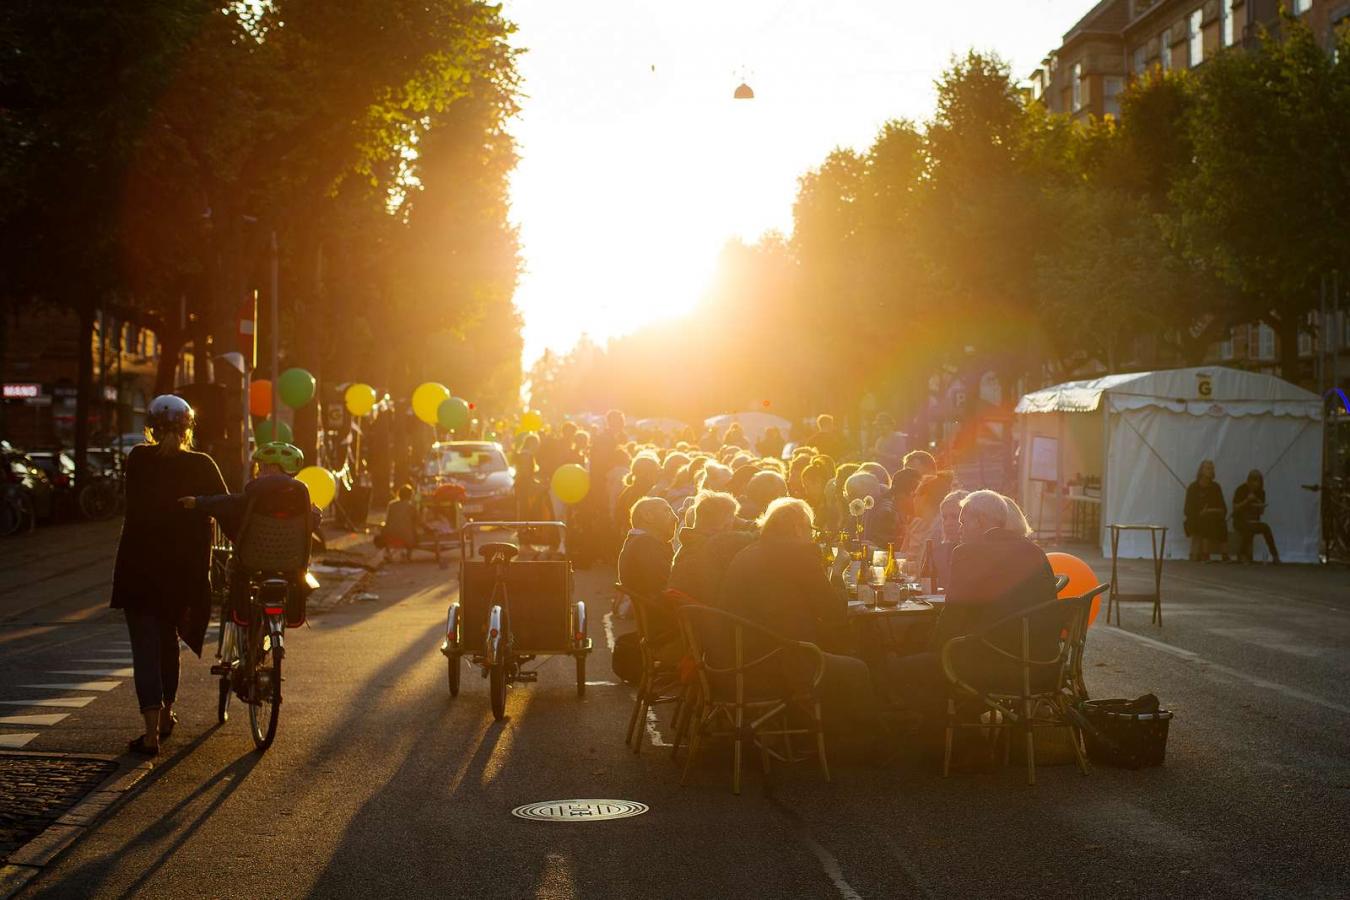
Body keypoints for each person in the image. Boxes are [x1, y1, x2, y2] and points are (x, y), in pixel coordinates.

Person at [110, 395, 227, 756]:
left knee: (144, 650)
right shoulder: (203, 464)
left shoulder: (138, 458)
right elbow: (226, 507)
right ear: (189, 428)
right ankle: (167, 716)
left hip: (139, 569)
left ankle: (149, 733)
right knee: (167, 644)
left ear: (150, 426)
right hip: (183, 573)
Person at [720, 498, 877, 733]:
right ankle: (859, 740)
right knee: (857, 667)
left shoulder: (747, 552)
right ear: (797, 527)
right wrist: (837, 572)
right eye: (810, 529)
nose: (812, 536)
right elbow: (832, 611)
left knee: (842, 650)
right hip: (785, 658)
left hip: (741, 654)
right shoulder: (799, 553)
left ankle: (821, 729)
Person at [888, 491, 1057, 708]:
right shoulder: (1034, 551)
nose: (959, 528)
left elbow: (953, 618)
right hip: (1042, 663)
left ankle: (936, 731)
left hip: (991, 665)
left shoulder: (968, 552)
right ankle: (962, 723)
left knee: (898, 667)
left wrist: (931, 651)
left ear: (981, 521)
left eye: (963, 521)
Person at [669, 490, 755, 604]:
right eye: (733, 518)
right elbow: (765, 532)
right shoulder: (722, 542)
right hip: (714, 616)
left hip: (691, 615)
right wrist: (743, 523)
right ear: (726, 524)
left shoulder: (688, 543)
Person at [618, 496, 678, 600]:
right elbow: (668, 582)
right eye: (667, 511)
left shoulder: (638, 542)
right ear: (648, 516)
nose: (676, 518)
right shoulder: (645, 544)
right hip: (663, 612)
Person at [1184, 459, 1228, 561]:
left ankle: (1225, 555)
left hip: (1213, 517)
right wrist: (1199, 513)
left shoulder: (1216, 487)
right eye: (1208, 468)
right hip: (1196, 518)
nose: (1210, 470)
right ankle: (1205, 554)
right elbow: (1186, 510)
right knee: (1205, 521)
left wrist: (1216, 511)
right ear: (1201, 470)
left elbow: (1223, 507)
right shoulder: (1193, 487)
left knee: (1221, 523)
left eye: (1212, 468)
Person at [1232, 469, 1279, 564]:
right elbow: (1235, 508)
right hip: (1239, 520)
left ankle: (1275, 555)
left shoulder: (1261, 492)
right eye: (1254, 481)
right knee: (1248, 528)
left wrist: (1258, 503)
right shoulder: (1241, 489)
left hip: (1254, 521)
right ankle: (1242, 555)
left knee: (1266, 528)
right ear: (1249, 481)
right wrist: (1247, 500)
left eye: (1259, 482)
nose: (1256, 485)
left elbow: (1261, 512)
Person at [380, 483, 419, 562]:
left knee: (385, 530)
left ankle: (387, 552)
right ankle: (408, 554)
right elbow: (417, 521)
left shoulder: (391, 505)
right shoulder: (411, 507)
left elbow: (388, 519)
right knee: (414, 533)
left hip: (389, 533)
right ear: (410, 495)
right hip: (405, 536)